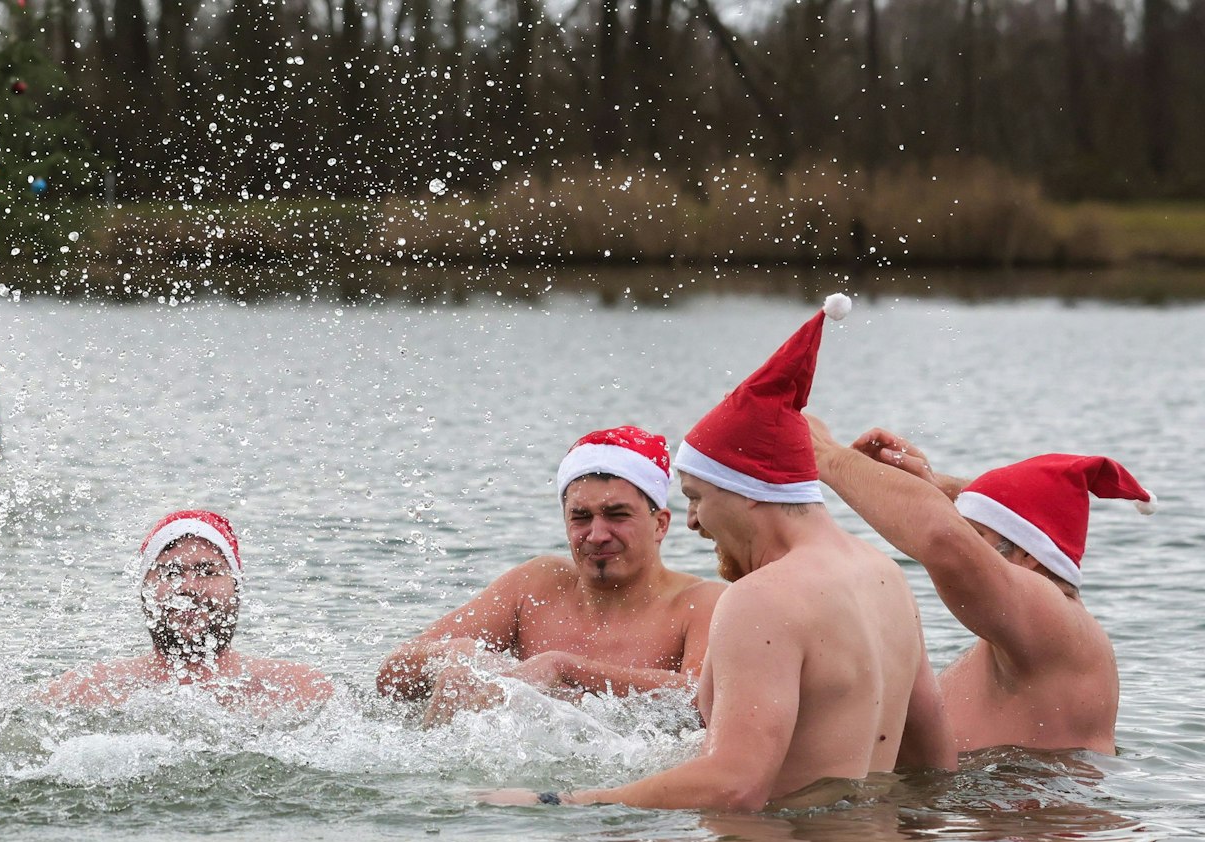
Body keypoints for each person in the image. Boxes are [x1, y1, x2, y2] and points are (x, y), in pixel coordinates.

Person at [491, 295, 956, 811]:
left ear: (749, 490)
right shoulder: (884, 575)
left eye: (695, 498)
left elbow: (735, 784)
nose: (691, 521)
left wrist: (561, 801)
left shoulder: (762, 600)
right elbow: (934, 761)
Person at [811, 420, 1153, 755]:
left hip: (1044, 807)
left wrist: (827, 455)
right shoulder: (1016, 634)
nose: (967, 548)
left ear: (1027, 555)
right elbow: (980, 521)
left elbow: (942, 540)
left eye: (974, 538)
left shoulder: (1055, 619)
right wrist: (932, 486)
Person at [377, 426, 723, 725]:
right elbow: (391, 675)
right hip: (512, 786)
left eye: (617, 515)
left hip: (630, 787)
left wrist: (565, 668)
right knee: (459, 678)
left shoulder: (700, 603)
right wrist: (458, 653)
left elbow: (702, 702)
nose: (597, 534)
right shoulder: (537, 584)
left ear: (660, 524)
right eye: (581, 517)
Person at [43, 510, 334, 714]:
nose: (189, 588)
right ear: (144, 587)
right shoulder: (85, 691)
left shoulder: (301, 688)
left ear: (236, 585)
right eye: (170, 572)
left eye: (208, 571)